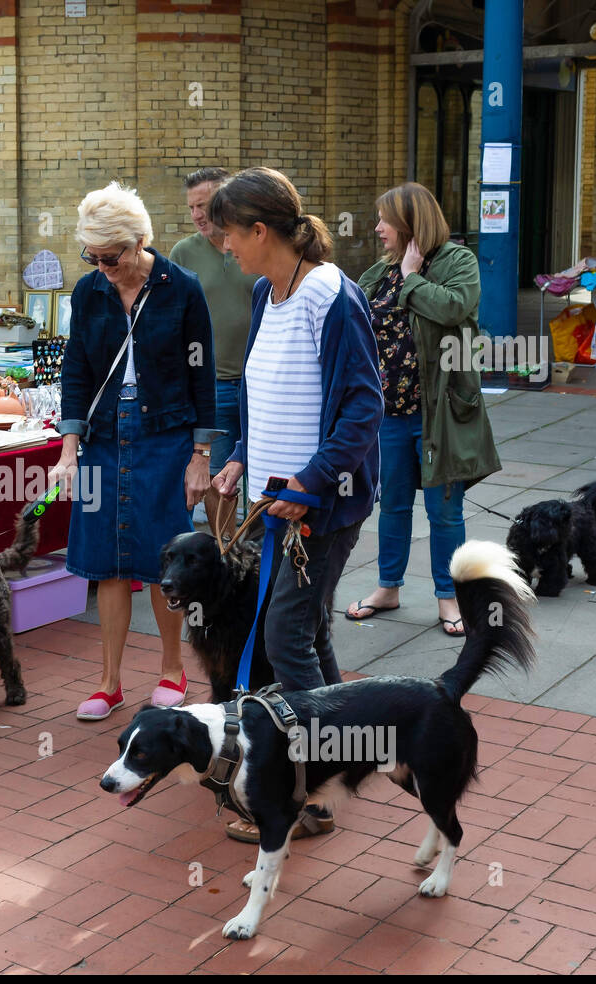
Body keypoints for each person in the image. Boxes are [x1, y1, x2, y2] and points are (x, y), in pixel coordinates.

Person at [209, 167, 383, 843]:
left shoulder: (331, 295)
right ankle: (352, 753)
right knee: (307, 632)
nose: (225, 247)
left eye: (230, 234)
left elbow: (364, 406)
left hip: (322, 506)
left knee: (286, 636)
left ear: (260, 230)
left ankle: (307, 796)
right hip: (282, 500)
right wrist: (242, 454)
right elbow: (268, 391)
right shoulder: (265, 292)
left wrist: (308, 481)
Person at [50, 181, 216, 721]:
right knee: (108, 562)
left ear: (139, 241)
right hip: (102, 436)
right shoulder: (88, 291)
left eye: (112, 256)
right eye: (92, 257)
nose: (103, 267)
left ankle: (172, 669)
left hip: (164, 435)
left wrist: (200, 455)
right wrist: (68, 449)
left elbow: (203, 375)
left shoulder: (181, 288)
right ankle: (109, 682)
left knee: (162, 560)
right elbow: (74, 370)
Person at [344, 182, 500, 637]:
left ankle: (449, 596)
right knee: (392, 506)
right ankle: (388, 588)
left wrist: (413, 278)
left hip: (442, 414)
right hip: (390, 414)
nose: (377, 229)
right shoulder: (379, 273)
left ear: (411, 222)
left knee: (444, 512)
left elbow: (455, 308)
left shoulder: (458, 262)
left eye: (384, 220)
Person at [170, 167, 260, 538]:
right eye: (191, 207)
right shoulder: (183, 253)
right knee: (219, 476)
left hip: (262, 381)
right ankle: (226, 552)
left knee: (267, 472)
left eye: (204, 205)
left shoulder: (253, 243)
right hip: (214, 385)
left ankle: (262, 552)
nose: (197, 214)